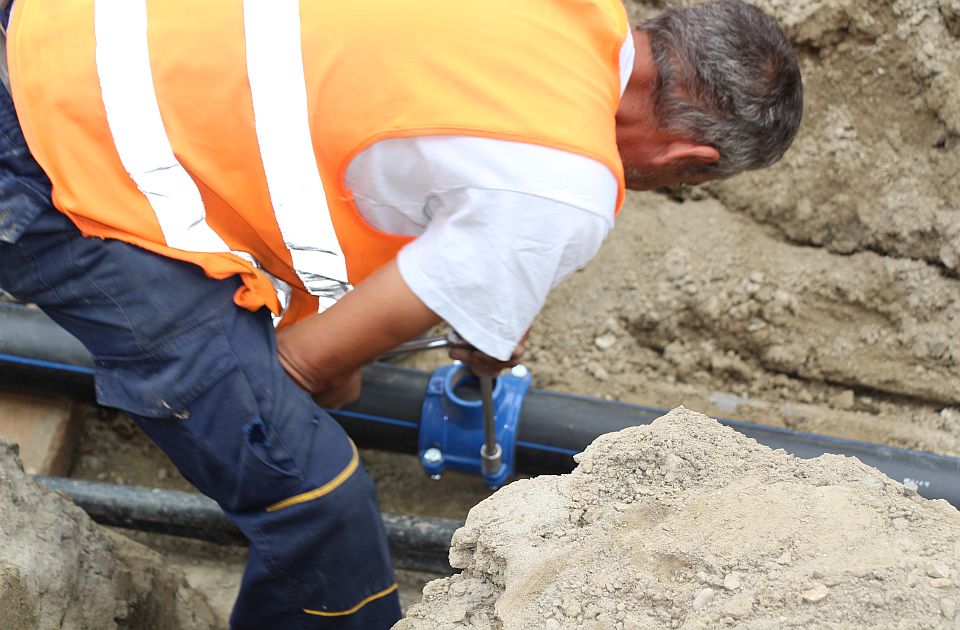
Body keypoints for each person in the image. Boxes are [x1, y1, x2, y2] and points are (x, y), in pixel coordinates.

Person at [0, 0, 801, 627]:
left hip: (54, 27)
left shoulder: (570, 16)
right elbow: (302, 364)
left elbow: (357, 125)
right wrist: (356, 358)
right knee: (322, 503)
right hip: (55, 157)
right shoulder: (568, 182)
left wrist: (461, 289)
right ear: (687, 159)